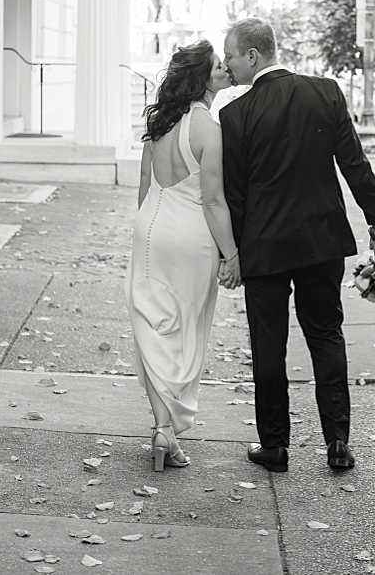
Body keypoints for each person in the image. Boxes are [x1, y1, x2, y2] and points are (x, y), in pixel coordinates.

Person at [219, 17, 375, 473]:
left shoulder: (235, 115)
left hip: (264, 247)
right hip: (321, 242)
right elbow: (355, 165)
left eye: (232, 56)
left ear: (253, 56)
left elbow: (234, 195)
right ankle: (338, 442)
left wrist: (233, 253)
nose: (228, 64)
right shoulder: (326, 93)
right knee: (325, 336)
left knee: (268, 345)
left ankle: (274, 446)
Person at [127, 40, 242, 472]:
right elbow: (213, 201)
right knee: (186, 330)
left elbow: (143, 184)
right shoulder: (208, 129)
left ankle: (162, 428)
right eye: (218, 67)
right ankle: (166, 427)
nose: (224, 71)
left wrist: (144, 234)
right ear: (202, 79)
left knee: (152, 329)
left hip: (150, 229)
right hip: (191, 235)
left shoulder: (160, 123)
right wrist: (230, 254)